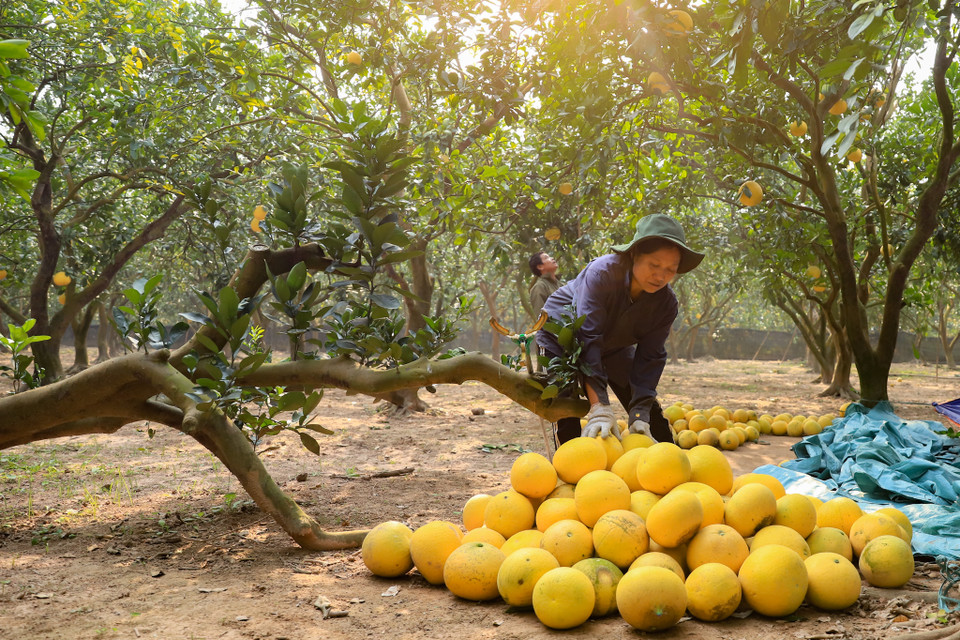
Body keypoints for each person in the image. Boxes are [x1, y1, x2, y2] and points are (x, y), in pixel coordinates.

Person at [535, 214, 704, 446]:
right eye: (654, 265)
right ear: (634, 255)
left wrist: (639, 414)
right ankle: (570, 463)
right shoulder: (602, 273)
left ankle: (668, 456)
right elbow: (587, 337)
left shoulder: (665, 304)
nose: (661, 276)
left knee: (648, 413)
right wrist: (600, 407)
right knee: (565, 405)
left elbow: (650, 357)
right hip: (563, 337)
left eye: (670, 269)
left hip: (613, 345)